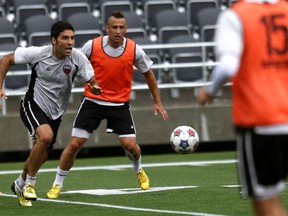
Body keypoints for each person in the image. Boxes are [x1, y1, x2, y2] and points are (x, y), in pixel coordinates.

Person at [47, 11, 169, 199]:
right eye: (114, 27)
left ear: (126, 29)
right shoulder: (92, 45)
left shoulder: (134, 49)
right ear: (107, 28)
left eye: (122, 27)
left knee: (131, 146)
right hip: (92, 102)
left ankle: (138, 170)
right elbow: (74, 63)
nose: (118, 31)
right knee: (74, 145)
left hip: (119, 104)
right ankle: (57, 184)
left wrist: (158, 102)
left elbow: (149, 74)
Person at [197, 0, 288, 215]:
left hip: (261, 120)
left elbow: (229, 65)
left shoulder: (236, 15)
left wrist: (209, 91)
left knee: (265, 204)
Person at [0, 21, 101, 207]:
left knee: (41, 155)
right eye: (65, 38)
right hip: (32, 105)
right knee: (45, 137)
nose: (70, 42)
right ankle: (30, 184)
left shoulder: (78, 58)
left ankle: (19, 183)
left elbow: (92, 79)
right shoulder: (38, 54)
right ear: (54, 40)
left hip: (56, 113)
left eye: (72, 38)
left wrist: (94, 87)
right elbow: (6, 59)